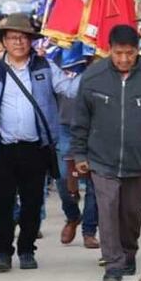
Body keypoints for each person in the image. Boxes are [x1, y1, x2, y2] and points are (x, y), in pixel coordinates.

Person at [71, 25, 141, 281]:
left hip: (138, 160)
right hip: (101, 159)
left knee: (131, 212)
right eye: (118, 53)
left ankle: (128, 252)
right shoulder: (93, 77)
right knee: (107, 210)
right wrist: (79, 154)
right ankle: (113, 263)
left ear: (138, 51)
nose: (123, 59)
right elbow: (80, 119)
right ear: (110, 50)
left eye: (129, 54)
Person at [0, 14, 62, 272]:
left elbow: (70, 88)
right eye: (13, 37)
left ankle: (27, 249)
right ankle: (2, 251)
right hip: (2, 148)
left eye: (24, 37)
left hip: (35, 147)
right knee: (2, 203)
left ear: (31, 41)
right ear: (3, 41)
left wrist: (95, 69)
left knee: (32, 202)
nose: (18, 42)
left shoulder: (44, 67)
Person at [54, 53, 100, 250]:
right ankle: (73, 216)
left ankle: (89, 230)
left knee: (95, 182)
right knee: (63, 177)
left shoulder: (101, 56)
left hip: (97, 127)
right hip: (65, 126)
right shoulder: (59, 55)